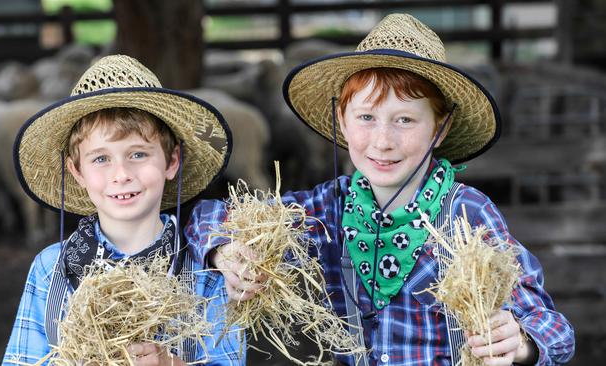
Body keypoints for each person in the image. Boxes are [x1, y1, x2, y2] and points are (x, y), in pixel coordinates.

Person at [186, 14, 575, 366]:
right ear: (342, 120)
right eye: (366, 117)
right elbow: (212, 216)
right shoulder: (328, 209)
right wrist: (225, 251)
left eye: (405, 119)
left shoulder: (467, 215)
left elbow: (553, 329)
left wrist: (522, 342)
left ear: (440, 128)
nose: (382, 141)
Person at [3, 55, 243, 365]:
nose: (121, 174)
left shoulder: (207, 270)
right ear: (77, 172)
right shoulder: (50, 270)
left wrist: (169, 363)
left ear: (171, 162)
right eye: (101, 159)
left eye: (139, 154)